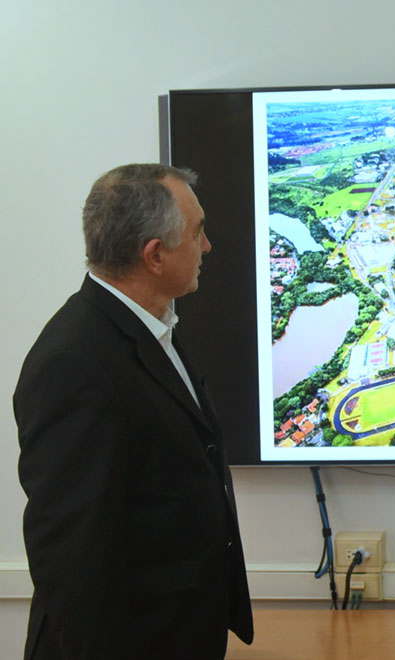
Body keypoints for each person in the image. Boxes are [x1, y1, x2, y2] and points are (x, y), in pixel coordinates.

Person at [14, 164, 253, 660]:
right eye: (197, 232)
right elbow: (72, 558)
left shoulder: (151, 325)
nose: (206, 246)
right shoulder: (74, 361)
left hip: (175, 632)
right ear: (155, 255)